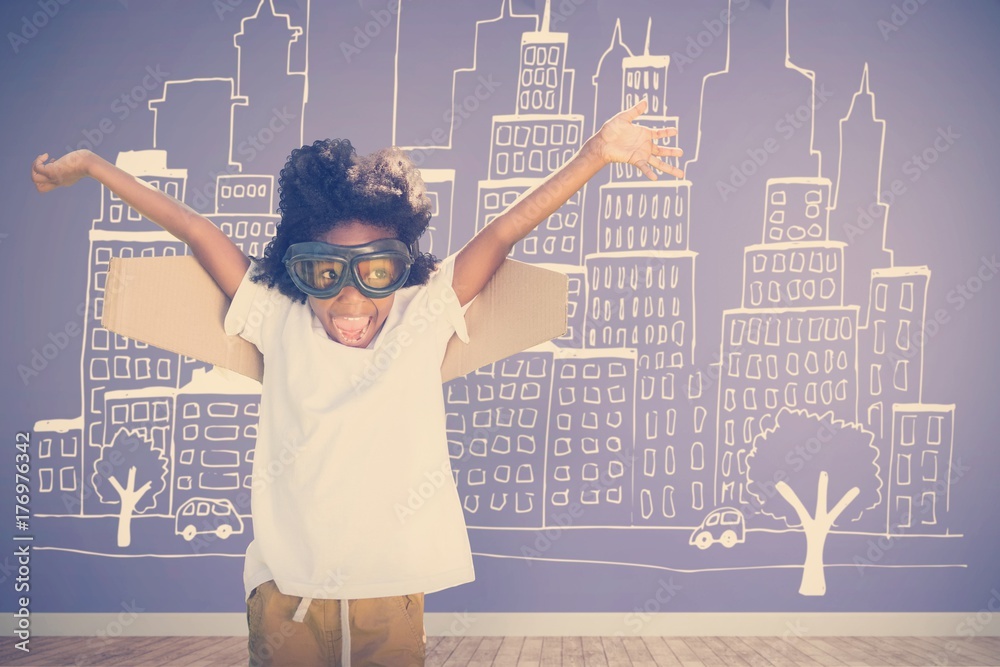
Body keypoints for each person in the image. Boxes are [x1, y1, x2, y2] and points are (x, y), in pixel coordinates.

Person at [32, 98, 683, 666]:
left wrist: (596, 155)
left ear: (403, 267)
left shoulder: (422, 314)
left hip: (389, 583)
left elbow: (506, 229)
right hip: (287, 586)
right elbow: (198, 230)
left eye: (374, 271)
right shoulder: (278, 312)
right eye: (325, 273)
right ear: (297, 269)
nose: (350, 299)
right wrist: (92, 164)